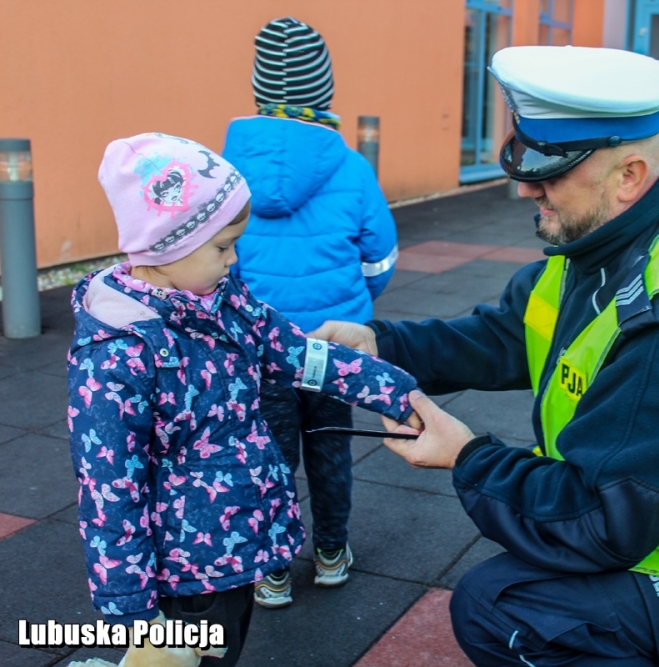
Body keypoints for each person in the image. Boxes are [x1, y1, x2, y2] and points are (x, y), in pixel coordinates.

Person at [313, 46, 659, 667]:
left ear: (628, 176)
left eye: (549, 173)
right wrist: (386, 344)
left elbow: (601, 521)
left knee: (499, 609)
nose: (525, 189)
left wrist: (467, 457)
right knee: (519, 582)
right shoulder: (618, 237)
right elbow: (510, 336)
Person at [67, 133, 418, 666]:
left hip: (234, 545)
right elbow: (108, 491)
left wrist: (393, 390)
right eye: (222, 246)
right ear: (167, 245)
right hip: (184, 574)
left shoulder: (226, 304)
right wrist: (135, 618)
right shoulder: (118, 355)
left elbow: (299, 354)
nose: (234, 261)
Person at [220, 16, 400, 610]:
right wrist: (357, 302)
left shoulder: (226, 170)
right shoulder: (350, 167)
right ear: (323, 91)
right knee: (329, 448)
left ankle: (271, 570)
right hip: (330, 343)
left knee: (267, 454)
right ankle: (329, 552)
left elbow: (221, 264)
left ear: (257, 89)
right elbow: (379, 256)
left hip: (261, 346)